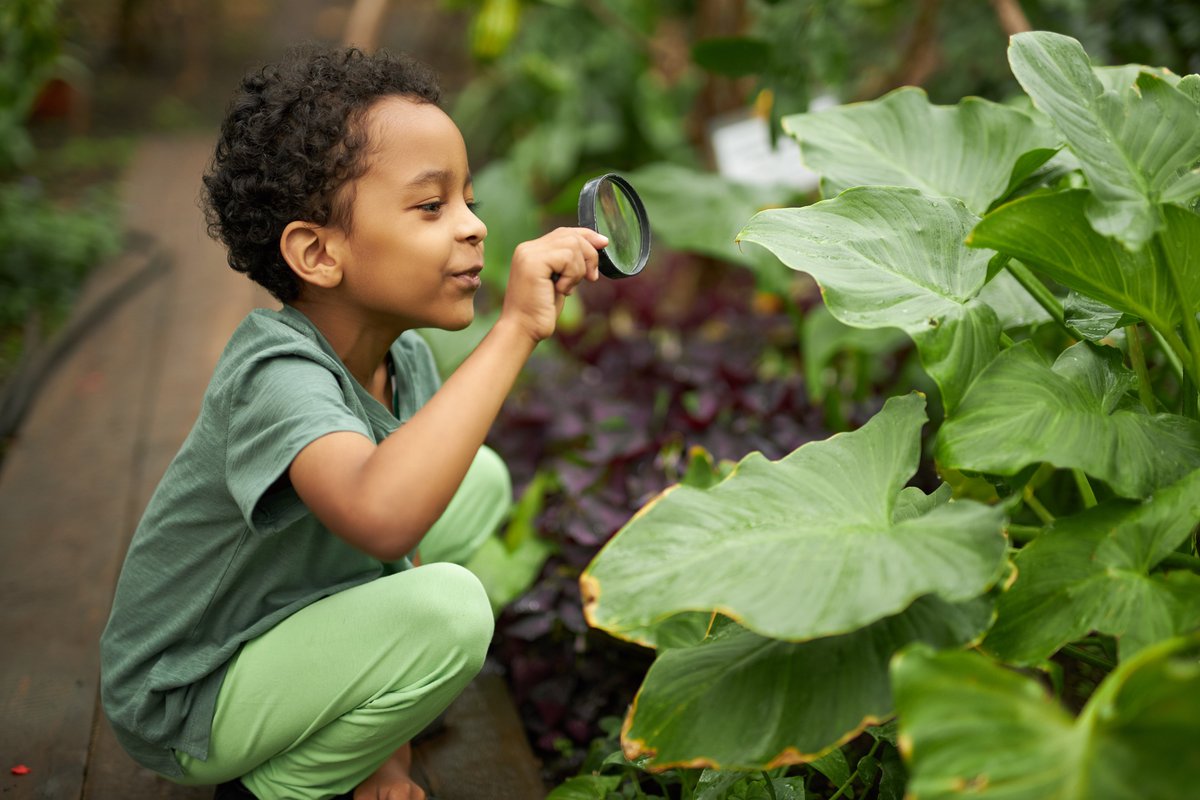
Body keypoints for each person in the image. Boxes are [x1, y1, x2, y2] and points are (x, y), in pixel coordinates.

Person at [99, 44, 606, 800]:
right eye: (432, 206)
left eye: (470, 201)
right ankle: (278, 784)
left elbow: (388, 550)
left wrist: (389, 751)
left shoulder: (403, 360)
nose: (472, 228)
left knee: (479, 477)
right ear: (317, 253)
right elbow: (382, 520)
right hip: (191, 692)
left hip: (290, 610)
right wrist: (514, 331)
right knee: (454, 612)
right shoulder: (277, 376)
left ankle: (357, 708)